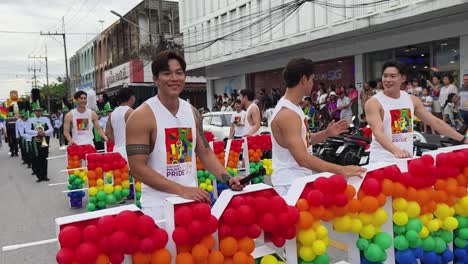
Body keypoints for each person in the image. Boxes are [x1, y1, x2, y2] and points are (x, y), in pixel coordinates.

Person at [125, 50, 245, 220]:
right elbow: (137, 169)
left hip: (193, 204)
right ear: (156, 79)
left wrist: (228, 179)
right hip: (159, 208)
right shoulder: (141, 116)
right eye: (167, 73)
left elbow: (205, 152)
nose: (174, 78)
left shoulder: (192, 112)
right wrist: (183, 191)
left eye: (179, 73)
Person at [270, 58, 365, 195]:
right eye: (312, 79)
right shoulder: (288, 114)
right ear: (304, 79)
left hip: (296, 180)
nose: (312, 84)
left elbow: (303, 140)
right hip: (290, 184)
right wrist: (342, 170)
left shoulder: (294, 108)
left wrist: (326, 133)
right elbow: (303, 159)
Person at [365, 60, 468, 165]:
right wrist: (396, 151)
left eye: (392, 76)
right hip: (382, 161)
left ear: (403, 78)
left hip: (406, 159)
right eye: (385, 76)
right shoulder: (373, 102)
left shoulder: (412, 100)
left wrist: (463, 139)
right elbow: (378, 133)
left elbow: (435, 122)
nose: (387, 80)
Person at [106, 87, 136, 160]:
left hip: (116, 151)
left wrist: (118, 143)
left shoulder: (112, 113)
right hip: (129, 152)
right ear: (132, 98)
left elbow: (107, 133)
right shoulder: (131, 112)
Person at [26, 106, 53, 182]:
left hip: (44, 139)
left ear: (42, 112)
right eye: (36, 111)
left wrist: (45, 132)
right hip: (35, 140)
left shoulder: (46, 119)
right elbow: (27, 130)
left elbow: (51, 128)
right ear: (34, 112)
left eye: (40, 111)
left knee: (44, 157)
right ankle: (39, 176)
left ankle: (45, 175)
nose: (38, 112)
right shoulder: (30, 120)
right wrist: (37, 132)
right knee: (37, 158)